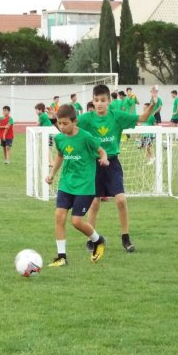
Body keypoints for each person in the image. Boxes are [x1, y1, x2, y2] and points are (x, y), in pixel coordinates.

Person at [75, 84, 156, 253]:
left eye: (103, 100)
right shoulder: (86, 119)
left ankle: (125, 238)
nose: (99, 104)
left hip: (112, 163)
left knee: (120, 200)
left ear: (109, 101)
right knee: (94, 202)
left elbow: (142, 118)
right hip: (94, 164)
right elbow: (69, 127)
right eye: (96, 100)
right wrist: (55, 120)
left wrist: (153, 103)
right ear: (92, 100)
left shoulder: (117, 116)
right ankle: (93, 238)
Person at [45, 104, 109, 267]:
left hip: (85, 186)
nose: (62, 126)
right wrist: (52, 174)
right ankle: (61, 256)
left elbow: (101, 151)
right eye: (59, 123)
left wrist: (104, 158)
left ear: (75, 121)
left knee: (76, 221)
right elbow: (60, 155)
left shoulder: (86, 137)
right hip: (66, 183)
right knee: (59, 216)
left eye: (65, 123)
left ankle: (98, 240)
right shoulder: (59, 138)